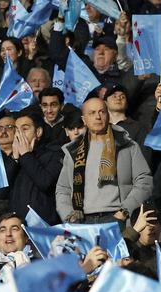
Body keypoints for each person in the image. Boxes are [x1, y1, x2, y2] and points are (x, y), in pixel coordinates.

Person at [56, 96, 152, 224]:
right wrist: (69, 216)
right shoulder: (73, 150)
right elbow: (63, 189)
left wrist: (125, 211)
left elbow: (144, 181)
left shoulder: (126, 145)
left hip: (117, 218)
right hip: (83, 221)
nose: (98, 116)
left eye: (102, 112)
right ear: (84, 120)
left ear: (108, 115)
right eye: (92, 113)